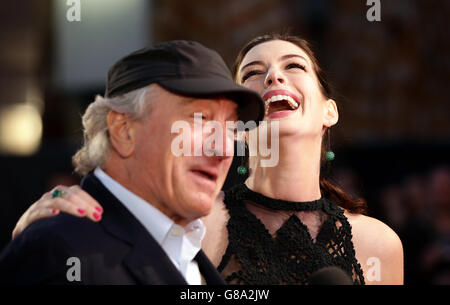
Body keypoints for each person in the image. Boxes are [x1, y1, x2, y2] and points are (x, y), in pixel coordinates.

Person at [11, 34, 404, 284]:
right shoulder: (191, 222)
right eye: (253, 72)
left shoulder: (382, 245)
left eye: (294, 66)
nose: (272, 78)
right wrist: (32, 230)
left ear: (329, 111)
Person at [0, 40, 264, 284]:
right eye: (199, 118)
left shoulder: (196, 253)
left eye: (230, 129)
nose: (222, 149)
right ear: (124, 131)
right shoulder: (59, 253)